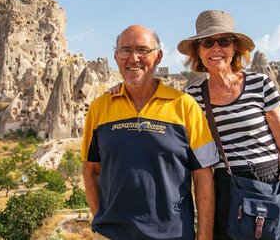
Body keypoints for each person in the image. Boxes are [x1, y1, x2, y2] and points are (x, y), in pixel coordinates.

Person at [177, 10, 280, 239]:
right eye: (207, 42)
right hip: (229, 188)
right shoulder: (193, 95)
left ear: (234, 48)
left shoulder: (259, 83)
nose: (216, 48)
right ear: (199, 51)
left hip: (276, 182)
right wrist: (121, 89)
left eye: (224, 41)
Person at [81, 25, 219, 240]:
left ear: (158, 56)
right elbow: (90, 170)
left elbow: (203, 177)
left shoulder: (184, 106)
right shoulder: (100, 107)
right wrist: (100, 219)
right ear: (116, 57)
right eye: (125, 50)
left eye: (143, 50)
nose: (133, 58)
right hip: (112, 235)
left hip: (173, 235)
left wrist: (204, 236)